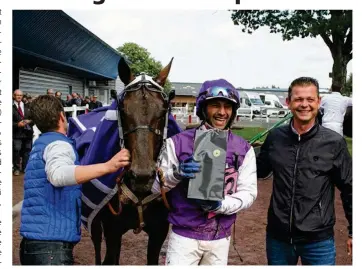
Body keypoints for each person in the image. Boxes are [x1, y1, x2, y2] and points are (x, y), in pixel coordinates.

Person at [152, 79, 257, 265]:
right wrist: (176, 174)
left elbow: (249, 193)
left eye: (228, 107)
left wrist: (220, 205)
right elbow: (154, 188)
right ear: (203, 108)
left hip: (220, 238)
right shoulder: (176, 143)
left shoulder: (243, 148)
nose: (222, 112)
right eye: (215, 105)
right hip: (184, 237)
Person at [19, 95, 131, 265]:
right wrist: (109, 166)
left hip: (34, 242)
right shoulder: (59, 144)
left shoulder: (40, 145)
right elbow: (58, 175)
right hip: (51, 248)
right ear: (62, 116)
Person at [256, 77, 352, 265]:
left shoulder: (333, 143)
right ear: (288, 103)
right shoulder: (276, 137)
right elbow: (258, 170)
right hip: (278, 238)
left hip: (318, 240)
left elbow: (350, 187)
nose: (304, 105)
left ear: (319, 102)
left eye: (310, 99)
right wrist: (233, 154)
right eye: (299, 99)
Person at [13, 89, 33, 176]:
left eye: (21, 95)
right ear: (14, 96)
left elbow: (34, 119)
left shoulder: (27, 107)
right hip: (17, 133)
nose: (19, 97)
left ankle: (25, 168)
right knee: (17, 150)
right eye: (17, 95)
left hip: (27, 133)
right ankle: (16, 168)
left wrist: (29, 121)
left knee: (27, 151)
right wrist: (17, 124)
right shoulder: (10, 107)